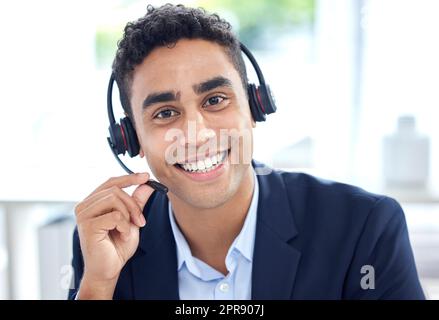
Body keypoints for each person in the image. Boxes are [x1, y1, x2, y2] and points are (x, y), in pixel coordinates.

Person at [69, 4, 425, 300]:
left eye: (215, 100)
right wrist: (97, 286)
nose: (197, 134)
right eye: (165, 113)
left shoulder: (365, 228)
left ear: (255, 108)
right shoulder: (110, 242)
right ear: (133, 141)